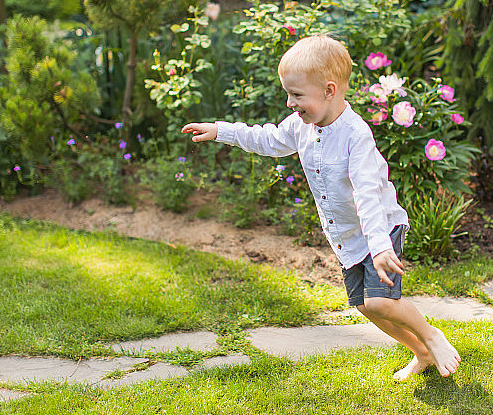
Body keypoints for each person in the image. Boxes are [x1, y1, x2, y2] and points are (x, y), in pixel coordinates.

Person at [181, 35, 461, 380]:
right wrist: (220, 130)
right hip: (347, 236)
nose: (289, 102)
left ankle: (432, 336)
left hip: (379, 231)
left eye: (297, 95)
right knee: (364, 306)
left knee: (380, 302)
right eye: (288, 93)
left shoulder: (355, 135)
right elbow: (268, 140)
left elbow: (368, 194)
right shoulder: (301, 125)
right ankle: (421, 354)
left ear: (329, 90)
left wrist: (380, 247)